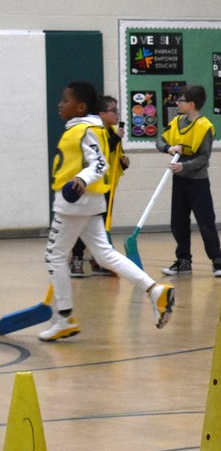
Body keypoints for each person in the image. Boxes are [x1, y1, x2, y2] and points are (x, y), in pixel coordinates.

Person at [40, 81, 174, 341]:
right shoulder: (90, 128)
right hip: (89, 203)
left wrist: (81, 179)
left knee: (54, 255)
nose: (60, 104)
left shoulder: (84, 129)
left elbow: (98, 163)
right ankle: (155, 290)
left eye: (65, 101)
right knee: (103, 254)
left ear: (80, 106)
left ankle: (65, 319)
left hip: (75, 203)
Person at [156, 85, 221, 277]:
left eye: (181, 100)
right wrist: (168, 149)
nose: (177, 103)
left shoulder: (205, 127)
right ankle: (183, 261)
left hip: (198, 182)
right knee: (177, 222)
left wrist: (184, 167)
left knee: (206, 222)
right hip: (179, 182)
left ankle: (218, 261)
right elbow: (160, 141)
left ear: (191, 104)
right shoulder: (177, 122)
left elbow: (204, 158)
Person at [70, 95, 130, 278]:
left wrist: (123, 163)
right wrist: (116, 139)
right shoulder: (93, 132)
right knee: (83, 223)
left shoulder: (112, 131)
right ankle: (77, 258)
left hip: (107, 186)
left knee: (101, 226)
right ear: (102, 113)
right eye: (114, 111)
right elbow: (100, 153)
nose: (117, 114)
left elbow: (113, 157)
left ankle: (98, 261)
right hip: (90, 186)